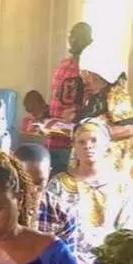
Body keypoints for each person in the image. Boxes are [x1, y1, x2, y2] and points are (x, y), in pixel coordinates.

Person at [46, 119, 133, 262]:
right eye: (81, 142)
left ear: (106, 144)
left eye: (94, 140)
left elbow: (131, 229)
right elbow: (47, 230)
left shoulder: (123, 186)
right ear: (74, 146)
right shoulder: (59, 185)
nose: (88, 146)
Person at [78, 42, 133, 183]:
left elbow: (130, 128)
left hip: (113, 172)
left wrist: (96, 133)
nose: (84, 79)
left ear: (99, 73)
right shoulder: (97, 95)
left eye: (86, 73)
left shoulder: (116, 94)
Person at [47, 22, 93, 174]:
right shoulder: (63, 65)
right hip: (53, 138)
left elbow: (91, 105)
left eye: (79, 37)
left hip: (73, 144)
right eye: (72, 36)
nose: (73, 40)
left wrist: (78, 115)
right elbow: (55, 99)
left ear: (89, 41)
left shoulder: (89, 70)